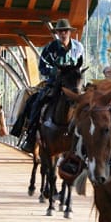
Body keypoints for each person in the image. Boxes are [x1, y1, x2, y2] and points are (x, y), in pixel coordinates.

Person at [20, 18, 85, 153]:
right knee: (37, 102)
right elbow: (42, 68)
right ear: (57, 33)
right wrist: (54, 71)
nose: (63, 34)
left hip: (73, 85)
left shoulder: (79, 48)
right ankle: (31, 136)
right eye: (60, 31)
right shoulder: (49, 48)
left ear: (69, 32)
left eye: (65, 31)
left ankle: (87, 140)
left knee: (88, 105)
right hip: (55, 84)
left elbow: (81, 65)